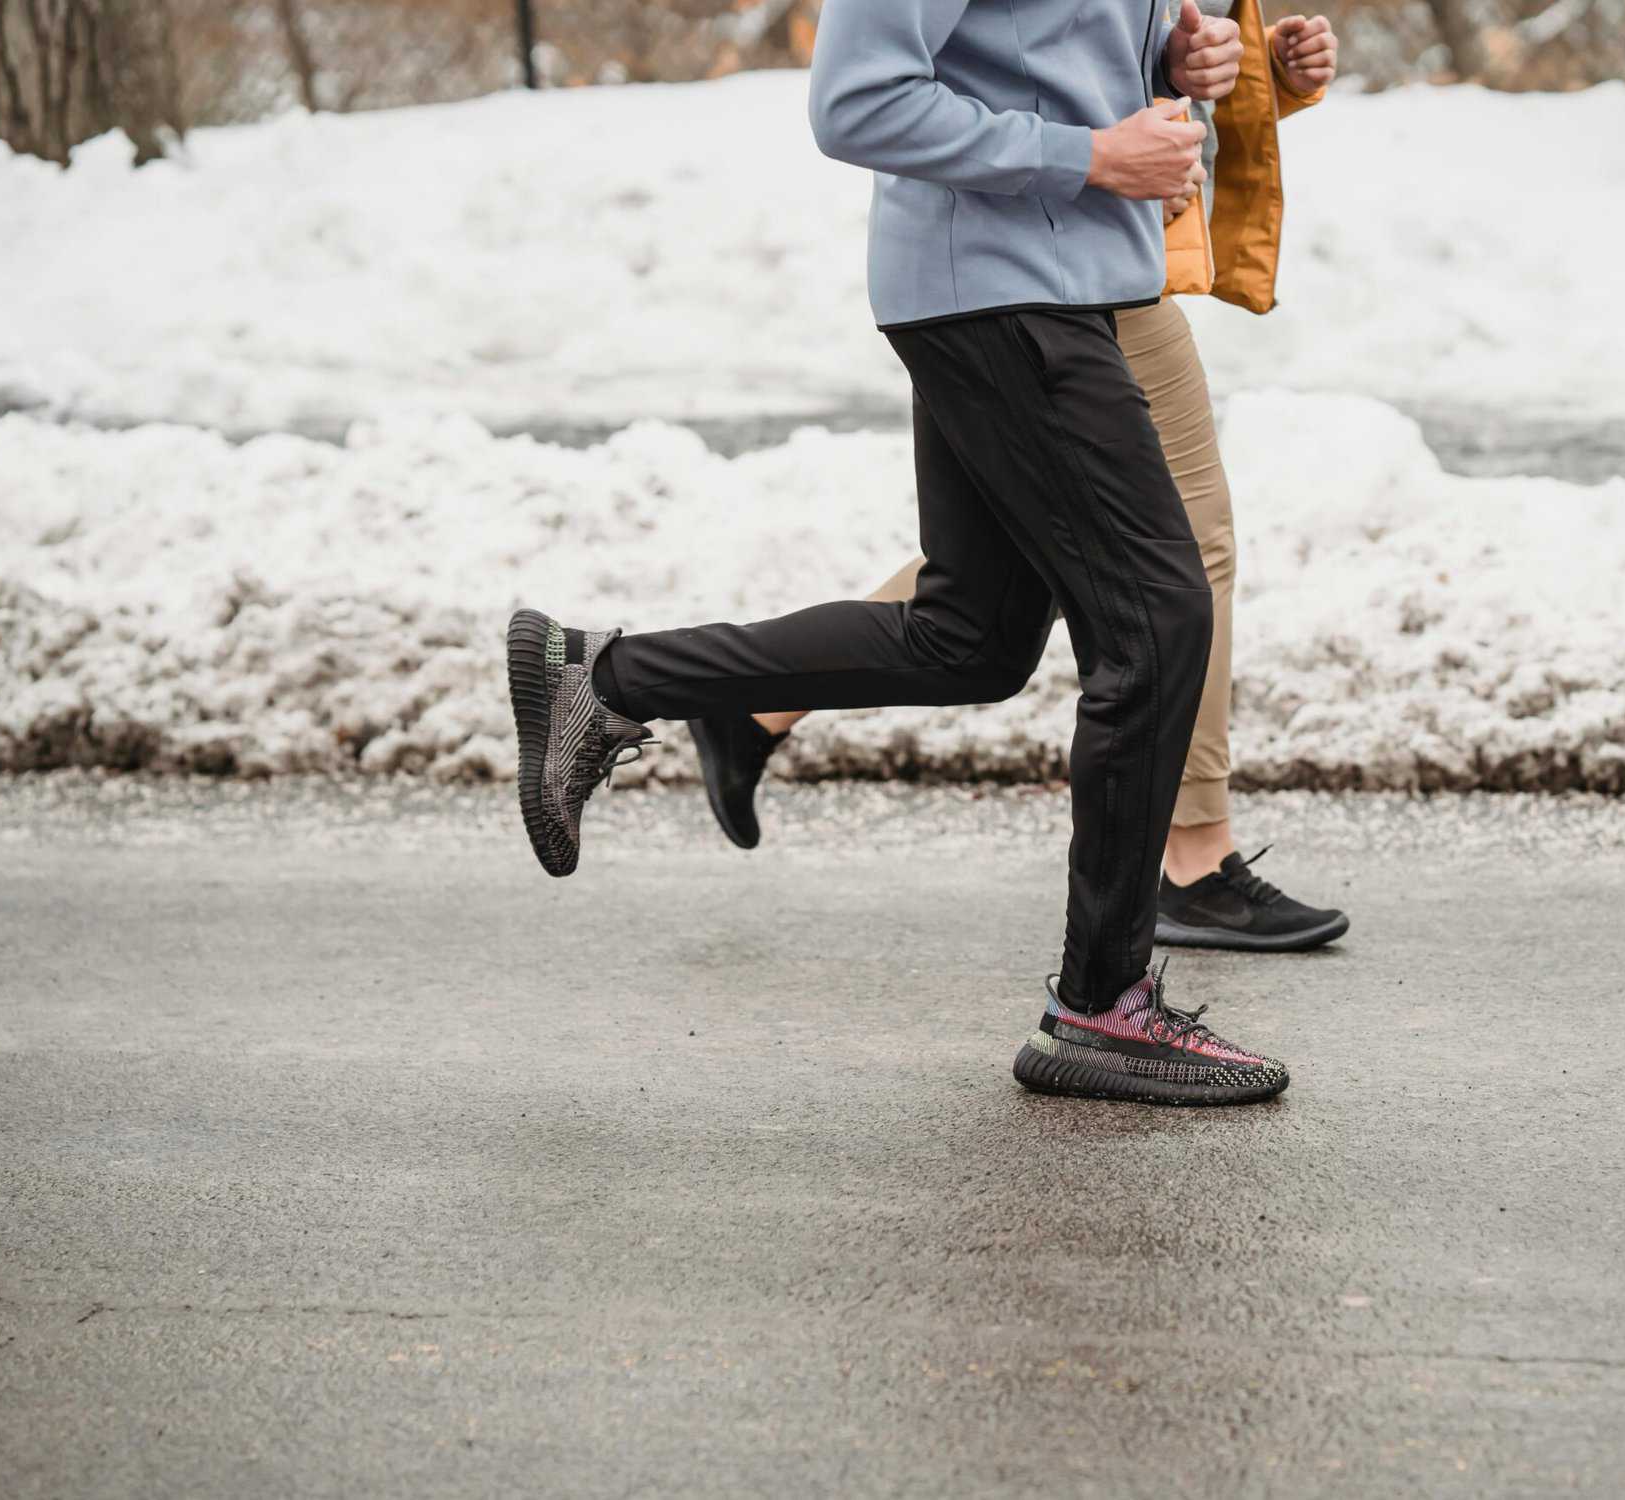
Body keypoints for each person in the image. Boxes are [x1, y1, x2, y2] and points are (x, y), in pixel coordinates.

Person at [507, 0, 1292, 1106]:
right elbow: (858, 100)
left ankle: (605, 677)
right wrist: (1090, 154)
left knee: (969, 640)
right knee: (1158, 624)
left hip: (1061, 284)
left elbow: (1042, 45)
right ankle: (1102, 1007)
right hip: (1004, 289)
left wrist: (1174, 53)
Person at [689, 3, 1349, 956]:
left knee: (1029, 566)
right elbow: (873, 98)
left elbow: (1070, 57)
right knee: (1169, 559)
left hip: (1091, 254)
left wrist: (1228, 69)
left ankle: (740, 701)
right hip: (1026, 266)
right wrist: (1097, 154)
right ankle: (1189, 865)